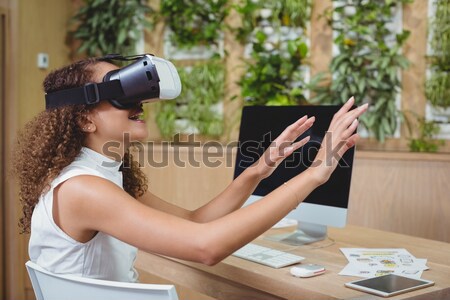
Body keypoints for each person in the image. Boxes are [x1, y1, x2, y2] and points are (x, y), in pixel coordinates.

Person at [14, 56, 368, 282]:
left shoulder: (103, 177)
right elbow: (206, 247)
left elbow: (196, 223)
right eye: (119, 91)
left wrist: (258, 170)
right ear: (84, 118)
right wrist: (315, 173)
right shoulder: (83, 190)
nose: (138, 103)